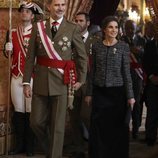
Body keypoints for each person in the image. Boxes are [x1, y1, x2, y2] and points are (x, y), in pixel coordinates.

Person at [22, 0, 87, 158]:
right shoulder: (39, 27)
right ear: (50, 6)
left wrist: (81, 79)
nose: (60, 8)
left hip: (61, 82)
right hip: (40, 82)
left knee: (58, 127)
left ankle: (54, 154)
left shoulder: (72, 28)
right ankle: (51, 148)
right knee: (35, 122)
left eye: (63, 5)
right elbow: (30, 57)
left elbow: (82, 57)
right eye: (57, 5)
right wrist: (26, 82)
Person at [85, 16, 135, 158]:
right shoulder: (96, 46)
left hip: (117, 94)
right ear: (104, 29)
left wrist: (130, 96)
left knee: (117, 129)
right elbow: (92, 71)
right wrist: (89, 93)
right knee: (99, 127)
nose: (114, 30)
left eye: (116, 27)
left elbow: (126, 73)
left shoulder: (123, 47)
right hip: (100, 93)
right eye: (110, 27)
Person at [4, 1, 43, 156]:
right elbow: (8, 55)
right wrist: (7, 50)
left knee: (31, 112)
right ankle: (19, 145)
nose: (24, 14)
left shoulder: (39, 32)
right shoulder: (12, 32)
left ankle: (31, 147)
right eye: (22, 11)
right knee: (19, 112)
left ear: (33, 16)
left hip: (33, 76)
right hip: (16, 74)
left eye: (27, 12)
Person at [66, 12, 100, 158]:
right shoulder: (69, 40)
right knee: (73, 118)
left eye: (81, 21)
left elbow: (97, 67)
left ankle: (96, 145)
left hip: (88, 84)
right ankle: (79, 148)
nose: (78, 23)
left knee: (86, 116)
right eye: (76, 20)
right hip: (72, 83)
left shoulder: (95, 42)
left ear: (87, 23)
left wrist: (92, 89)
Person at [121, 20, 145, 139]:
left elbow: (146, 57)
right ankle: (124, 129)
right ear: (124, 28)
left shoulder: (141, 40)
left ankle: (136, 129)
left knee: (136, 103)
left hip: (137, 76)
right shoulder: (121, 40)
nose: (130, 30)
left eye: (132, 28)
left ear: (136, 28)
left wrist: (140, 51)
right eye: (128, 28)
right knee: (125, 103)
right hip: (124, 76)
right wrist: (131, 49)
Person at [142, 22, 158, 146]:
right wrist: (151, 76)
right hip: (152, 82)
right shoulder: (149, 45)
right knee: (152, 110)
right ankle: (150, 136)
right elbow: (145, 62)